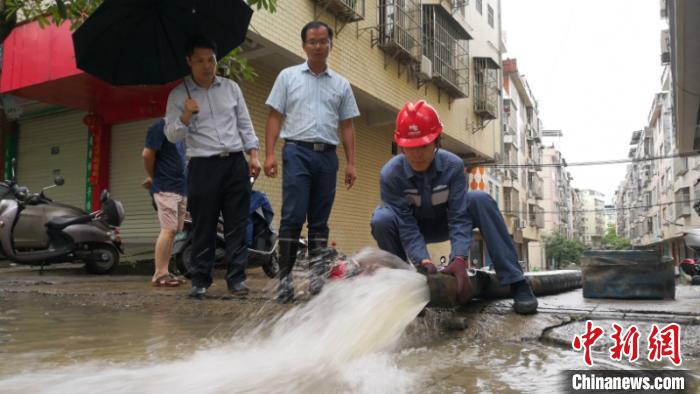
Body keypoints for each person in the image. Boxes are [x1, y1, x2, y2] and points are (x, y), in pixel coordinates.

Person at [370, 100, 538, 314]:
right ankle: (404, 288)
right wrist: (423, 260)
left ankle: (517, 282)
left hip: (445, 223)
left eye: (423, 146)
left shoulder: (453, 166)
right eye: (410, 148)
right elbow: (405, 225)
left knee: (480, 199)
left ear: (437, 142)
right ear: (401, 146)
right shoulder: (390, 175)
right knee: (381, 219)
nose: (417, 154)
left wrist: (459, 258)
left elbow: (459, 216)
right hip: (414, 228)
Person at [263, 21, 360, 303]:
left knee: (319, 221)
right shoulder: (287, 77)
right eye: (312, 42)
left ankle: (316, 281)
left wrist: (352, 163)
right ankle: (285, 281)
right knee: (292, 217)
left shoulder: (341, 85)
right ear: (304, 45)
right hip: (297, 152)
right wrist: (269, 154)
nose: (318, 46)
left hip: (328, 157)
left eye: (323, 41)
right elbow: (274, 117)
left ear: (330, 44)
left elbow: (347, 126)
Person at [164, 35, 261, 299]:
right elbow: (172, 135)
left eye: (211, 59)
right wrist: (185, 115)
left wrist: (253, 155)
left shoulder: (231, 88)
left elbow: (245, 123)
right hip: (202, 166)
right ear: (189, 62)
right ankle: (200, 280)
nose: (207, 66)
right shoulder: (178, 94)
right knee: (203, 226)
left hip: (234, 163)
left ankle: (237, 279)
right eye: (200, 61)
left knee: (237, 224)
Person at [142, 119, 187, 287]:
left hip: (180, 187)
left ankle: (165, 272)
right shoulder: (159, 126)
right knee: (168, 230)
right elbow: (147, 154)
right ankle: (159, 274)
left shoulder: (183, 131)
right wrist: (154, 176)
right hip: (165, 186)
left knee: (173, 231)